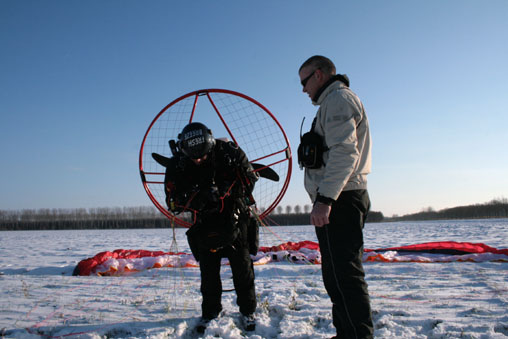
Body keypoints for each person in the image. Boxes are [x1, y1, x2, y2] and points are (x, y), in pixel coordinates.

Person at [297, 55, 374, 338]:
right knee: (336, 276)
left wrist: (325, 200)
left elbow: (345, 152)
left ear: (318, 75)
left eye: (304, 81)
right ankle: (347, 333)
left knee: (345, 276)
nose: (303, 89)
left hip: (341, 199)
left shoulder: (339, 100)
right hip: (338, 199)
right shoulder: (332, 102)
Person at [162, 122, 258, 333]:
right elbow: (172, 202)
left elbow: (251, 178)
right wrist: (195, 198)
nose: (198, 160)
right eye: (193, 157)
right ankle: (210, 312)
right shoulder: (178, 164)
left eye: (202, 156)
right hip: (204, 223)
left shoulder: (229, 153)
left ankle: (248, 310)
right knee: (208, 272)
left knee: (242, 268)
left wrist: (229, 189)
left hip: (235, 217)